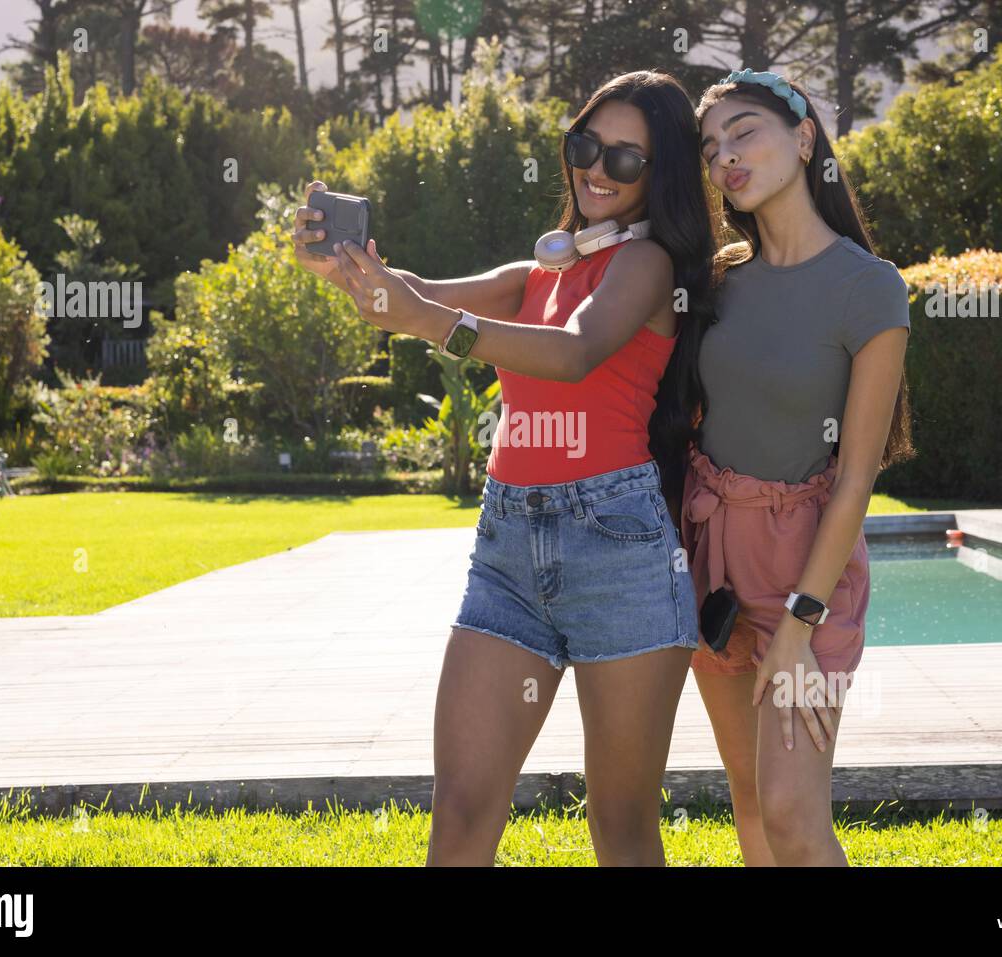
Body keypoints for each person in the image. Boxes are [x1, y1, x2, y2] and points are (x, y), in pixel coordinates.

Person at [292, 71, 716, 866]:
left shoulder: (648, 266)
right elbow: (416, 294)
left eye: (626, 160)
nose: (598, 169)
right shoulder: (541, 272)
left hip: (618, 549)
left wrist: (425, 320)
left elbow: (574, 351)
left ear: (658, 177)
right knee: (459, 812)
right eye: (587, 145)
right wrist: (353, 276)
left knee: (620, 827)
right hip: (508, 550)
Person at [654, 68, 914, 866]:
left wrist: (801, 623)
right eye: (710, 148)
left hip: (810, 569)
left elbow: (857, 477)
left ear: (804, 139)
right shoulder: (719, 283)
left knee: (794, 814)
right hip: (714, 560)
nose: (724, 157)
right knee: (749, 798)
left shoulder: (869, 289)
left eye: (744, 133)